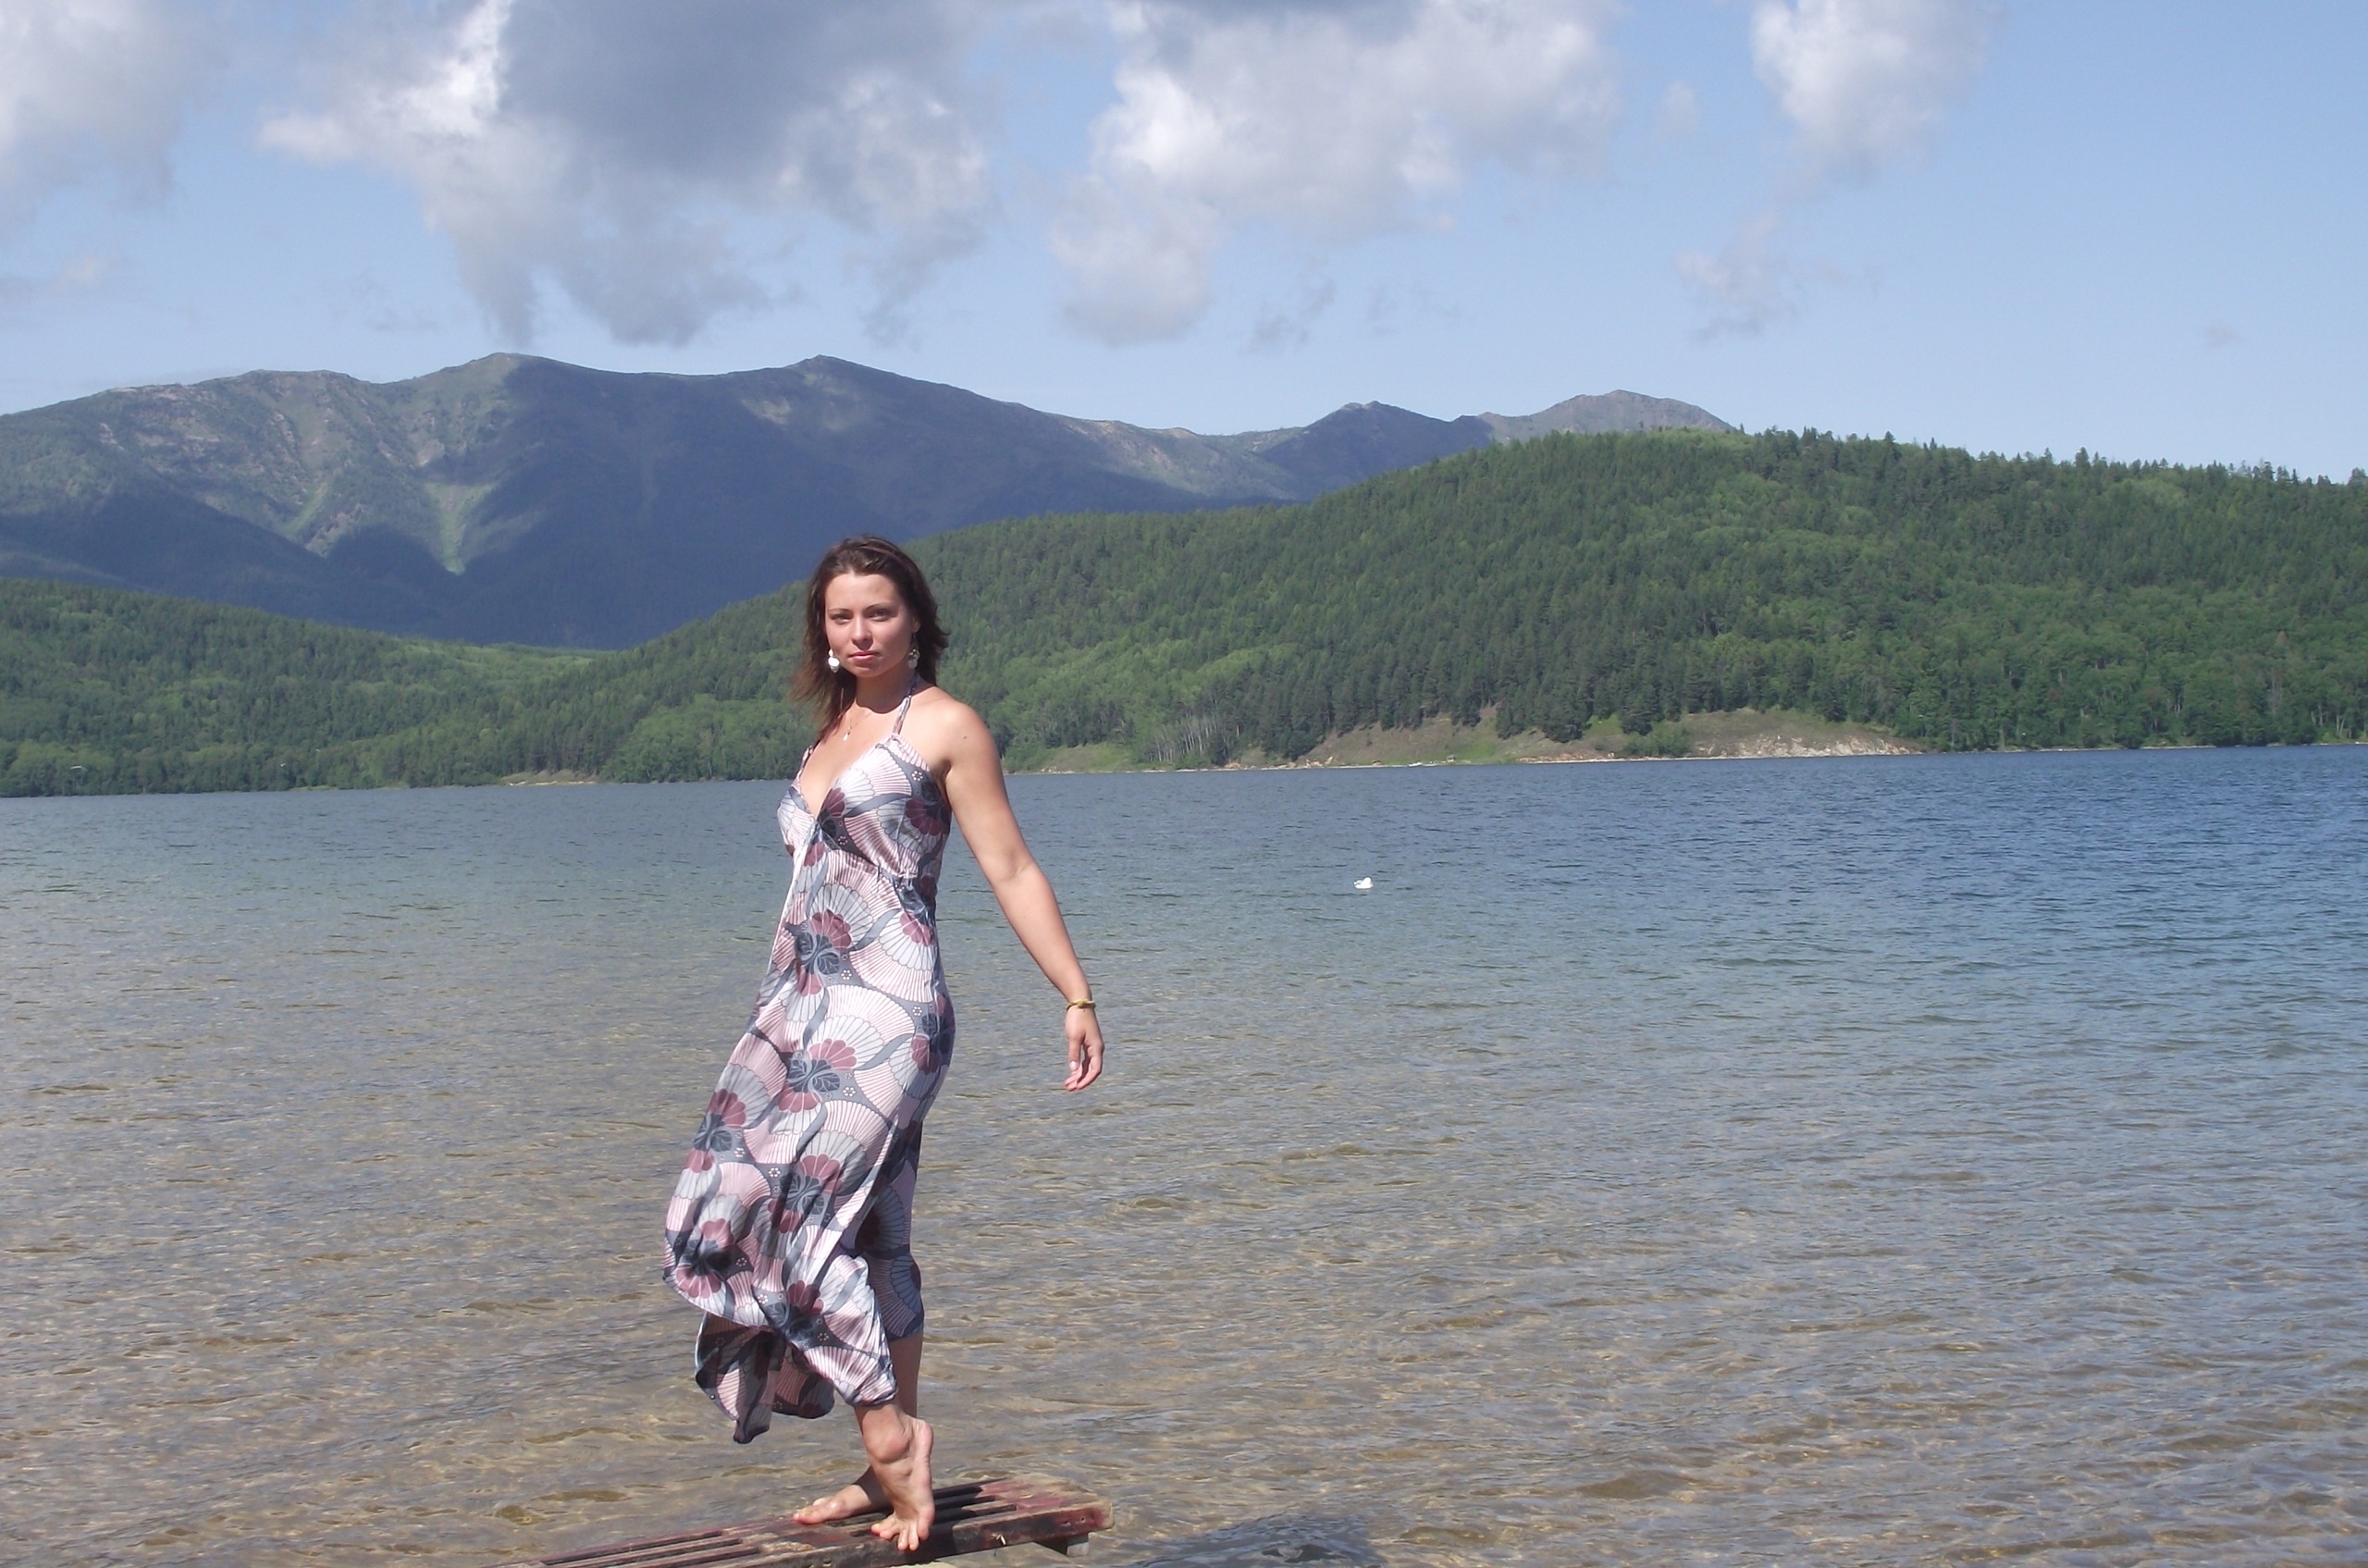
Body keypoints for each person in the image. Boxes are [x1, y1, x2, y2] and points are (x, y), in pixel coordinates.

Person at [661, 536, 1104, 1552]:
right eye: (842, 617)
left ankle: (892, 1437)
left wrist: (1075, 993)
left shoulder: (943, 725)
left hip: (890, 1012)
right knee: (853, 1230)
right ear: (822, 632)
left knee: (800, 1227)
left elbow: (1010, 866)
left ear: (916, 621)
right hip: (799, 1008)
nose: (861, 632)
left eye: (880, 613)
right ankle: (884, 1457)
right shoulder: (829, 733)